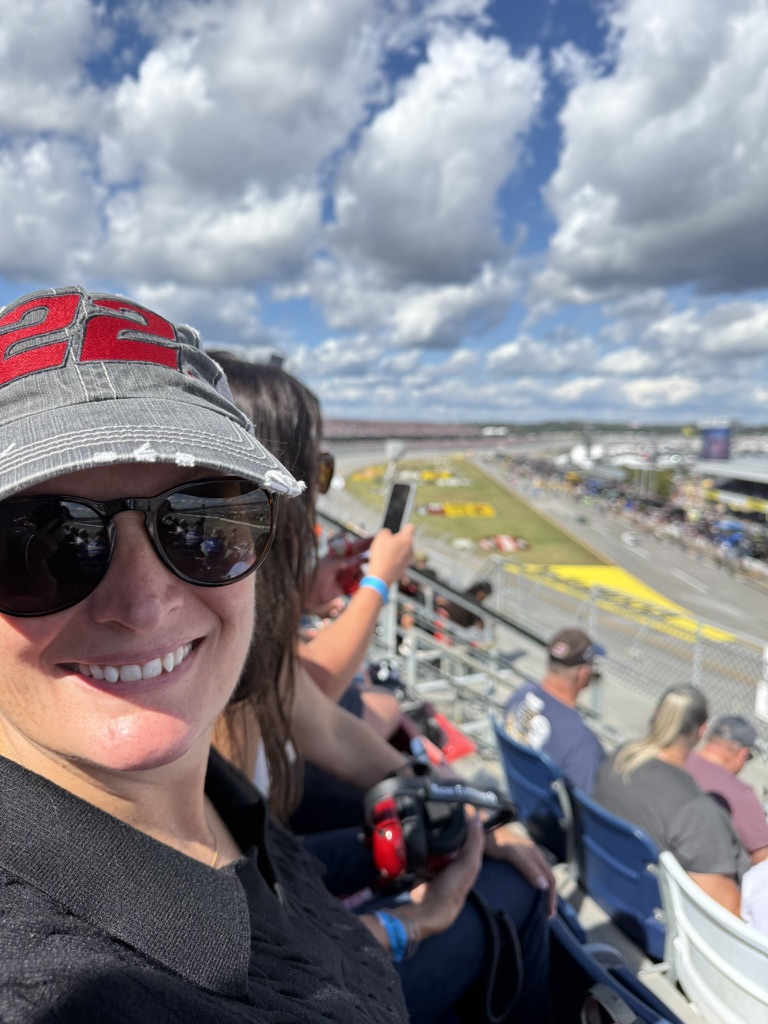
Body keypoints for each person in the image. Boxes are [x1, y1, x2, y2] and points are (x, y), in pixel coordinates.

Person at [0, 285, 486, 1022]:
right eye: (40, 544)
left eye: (204, 524)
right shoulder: (58, 989)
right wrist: (409, 926)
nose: (143, 606)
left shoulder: (215, 789)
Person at [210, 353, 554, 1023]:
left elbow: (327, 725)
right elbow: (247, 958)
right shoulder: (201, 675)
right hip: (288, 966)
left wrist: (467, 814)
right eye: (316, 471)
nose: (321, 493)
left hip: (280, 877)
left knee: (463, 846)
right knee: (518, 894)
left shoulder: (247, 655)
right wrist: (418, 922)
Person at [593, 685, 750, 914]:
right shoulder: (696, 809)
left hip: (606, 888)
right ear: (702, 731)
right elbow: (728, 909)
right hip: (655, 917)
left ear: (656, 714)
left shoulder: (621, 756)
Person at [504, 628, 606, 794]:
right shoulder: (582, 743)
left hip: (516, 793)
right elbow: (586, 802)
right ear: (583, 675)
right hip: (544, 807)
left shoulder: (521, 694)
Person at [687, 715, 768, 865]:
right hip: (704, 873)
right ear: (742, 754)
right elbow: (762, 857)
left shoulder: (674, 760)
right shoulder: (741, 794)